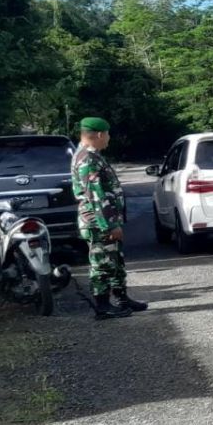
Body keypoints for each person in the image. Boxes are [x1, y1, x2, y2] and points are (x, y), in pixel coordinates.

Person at [70, 117, 148, 320]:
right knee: (102, 263)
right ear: (98, 135)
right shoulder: (87, 159)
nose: (109, 138)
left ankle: (122, 298)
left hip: (105, 220)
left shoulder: (92, 156)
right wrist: (110, 224)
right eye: (107, 134)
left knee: (115, 260)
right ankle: (103, 305)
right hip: (98, 222)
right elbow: (96, 195)